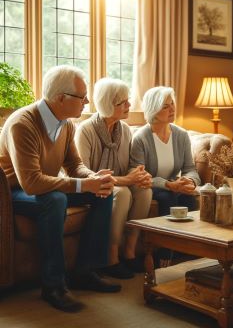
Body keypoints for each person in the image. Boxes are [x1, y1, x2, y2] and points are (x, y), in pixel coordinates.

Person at [0, 65, 121, 313]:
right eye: (82, 97)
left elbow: (75, 165)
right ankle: (53, 285)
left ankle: (85, 271)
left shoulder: (66, 124)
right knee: (54, 200)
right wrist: (82, 183)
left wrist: (93, 178)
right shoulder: (22, 124)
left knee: (103, 191)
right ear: (61, 98)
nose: (87, 102)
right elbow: (31, 183)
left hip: (44, 186)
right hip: (12, 193)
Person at [75, 78, 152, 279]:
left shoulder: (125, 130)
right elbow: (82, 172)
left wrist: (141, 176)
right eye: (123, 103)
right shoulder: (86, 130)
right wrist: (127, 180)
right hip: (93, 185)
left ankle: (129, 251)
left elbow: (131, 166)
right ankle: (111, 257)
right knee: (123, 193)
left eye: (128, 101)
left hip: (117, 181)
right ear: (108, 104)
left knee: (145, 192)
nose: (129, 106)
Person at [131, 86, 200, 266]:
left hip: (174, 185)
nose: (172, 109)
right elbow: (141, 175)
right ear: (153, 109)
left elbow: (190, 168)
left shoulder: (181, 135)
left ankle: (189, 251)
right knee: (167, 196)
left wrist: (190, 181)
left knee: (188, 196)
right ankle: (164, 255)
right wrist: (169, 185)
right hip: (150, 187)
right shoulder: (141, 138)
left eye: (172, 104)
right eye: (165, 106)